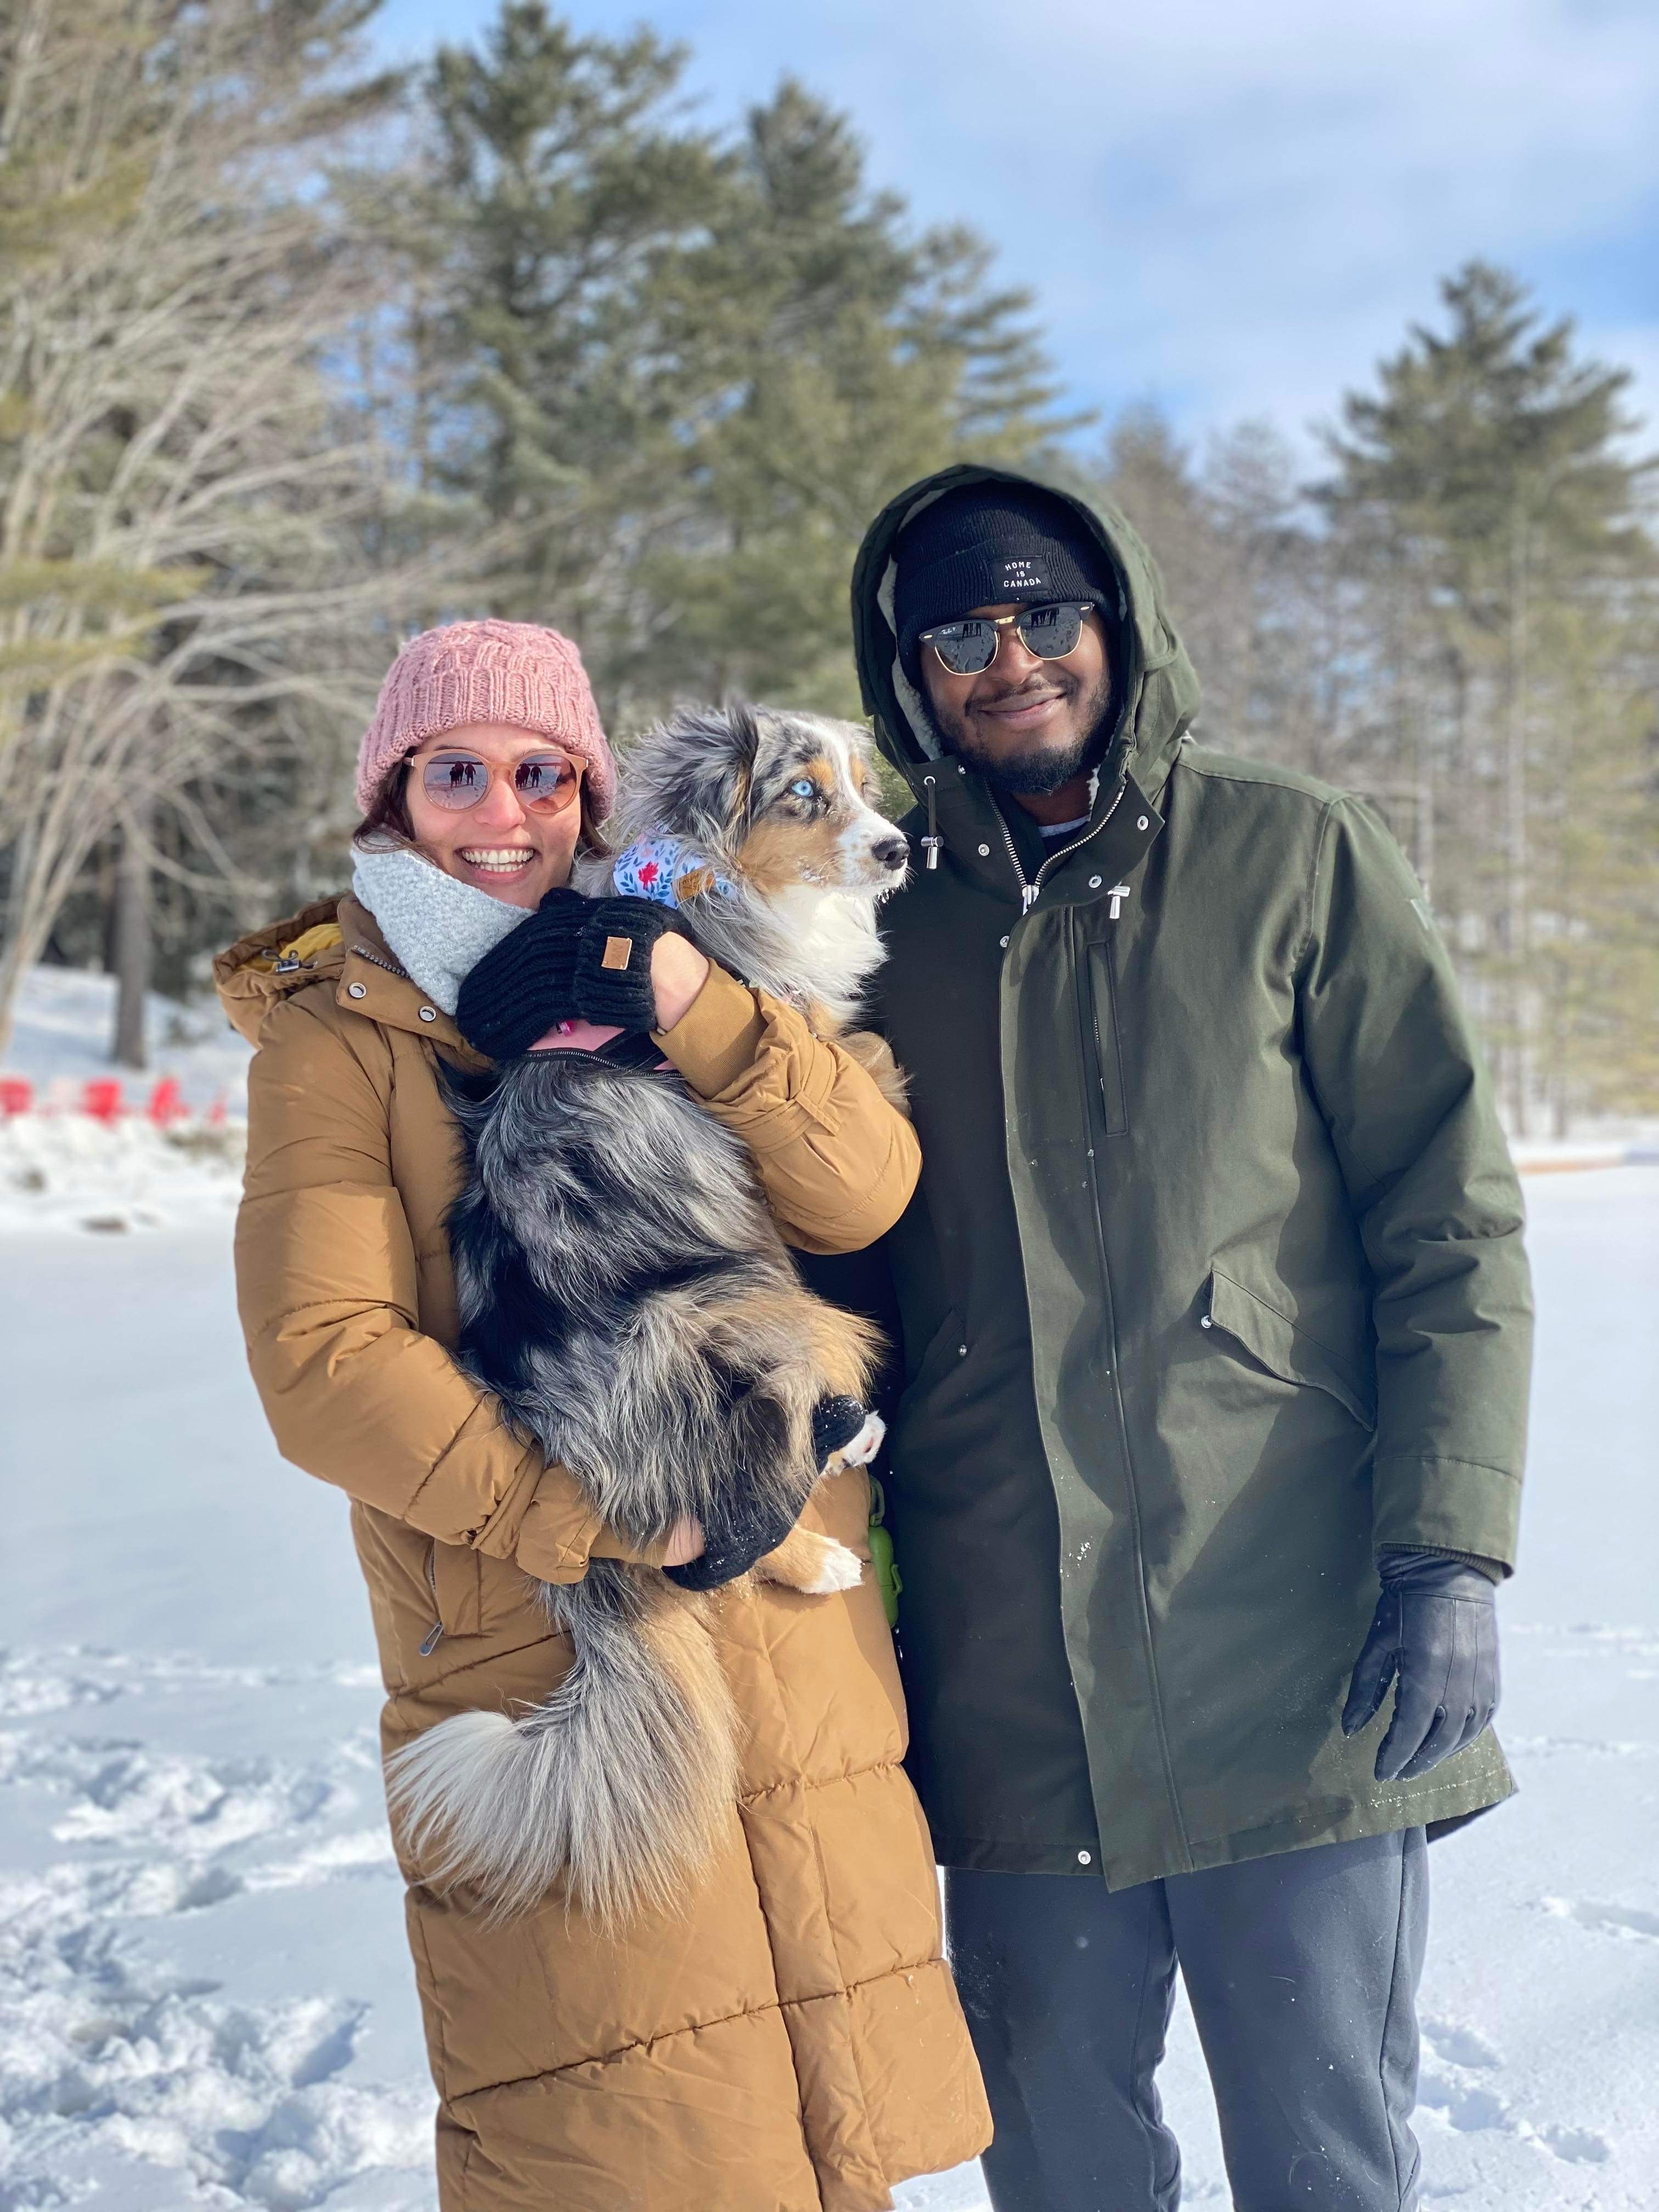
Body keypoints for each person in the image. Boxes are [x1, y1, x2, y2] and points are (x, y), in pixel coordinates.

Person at [216, 618, 989, 2212]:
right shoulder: (336, 1036)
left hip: (793, 1627)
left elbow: (861, 1192)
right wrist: (603, 1517)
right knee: (635, 2140)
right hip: (546, 1622)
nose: (504, 812)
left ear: (593, 796)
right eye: (456, 772)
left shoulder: (676, 940)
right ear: (391, 798)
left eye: (543, 774)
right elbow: (324, 1361)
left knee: (833, 2137)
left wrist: (688, 998)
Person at [845, 472, 1533, 2211]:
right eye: (961, 634)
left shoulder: (1292, 852)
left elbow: (1447, 1222)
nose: (1011, 660)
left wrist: (1449, 1555)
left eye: (1044, 616)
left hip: (1294, 1659)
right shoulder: (875, 918)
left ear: (1117, 625)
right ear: (912, 674)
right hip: (1008, 1685)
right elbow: (819, 1257)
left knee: (1323, 2166)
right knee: (1058, 2169)